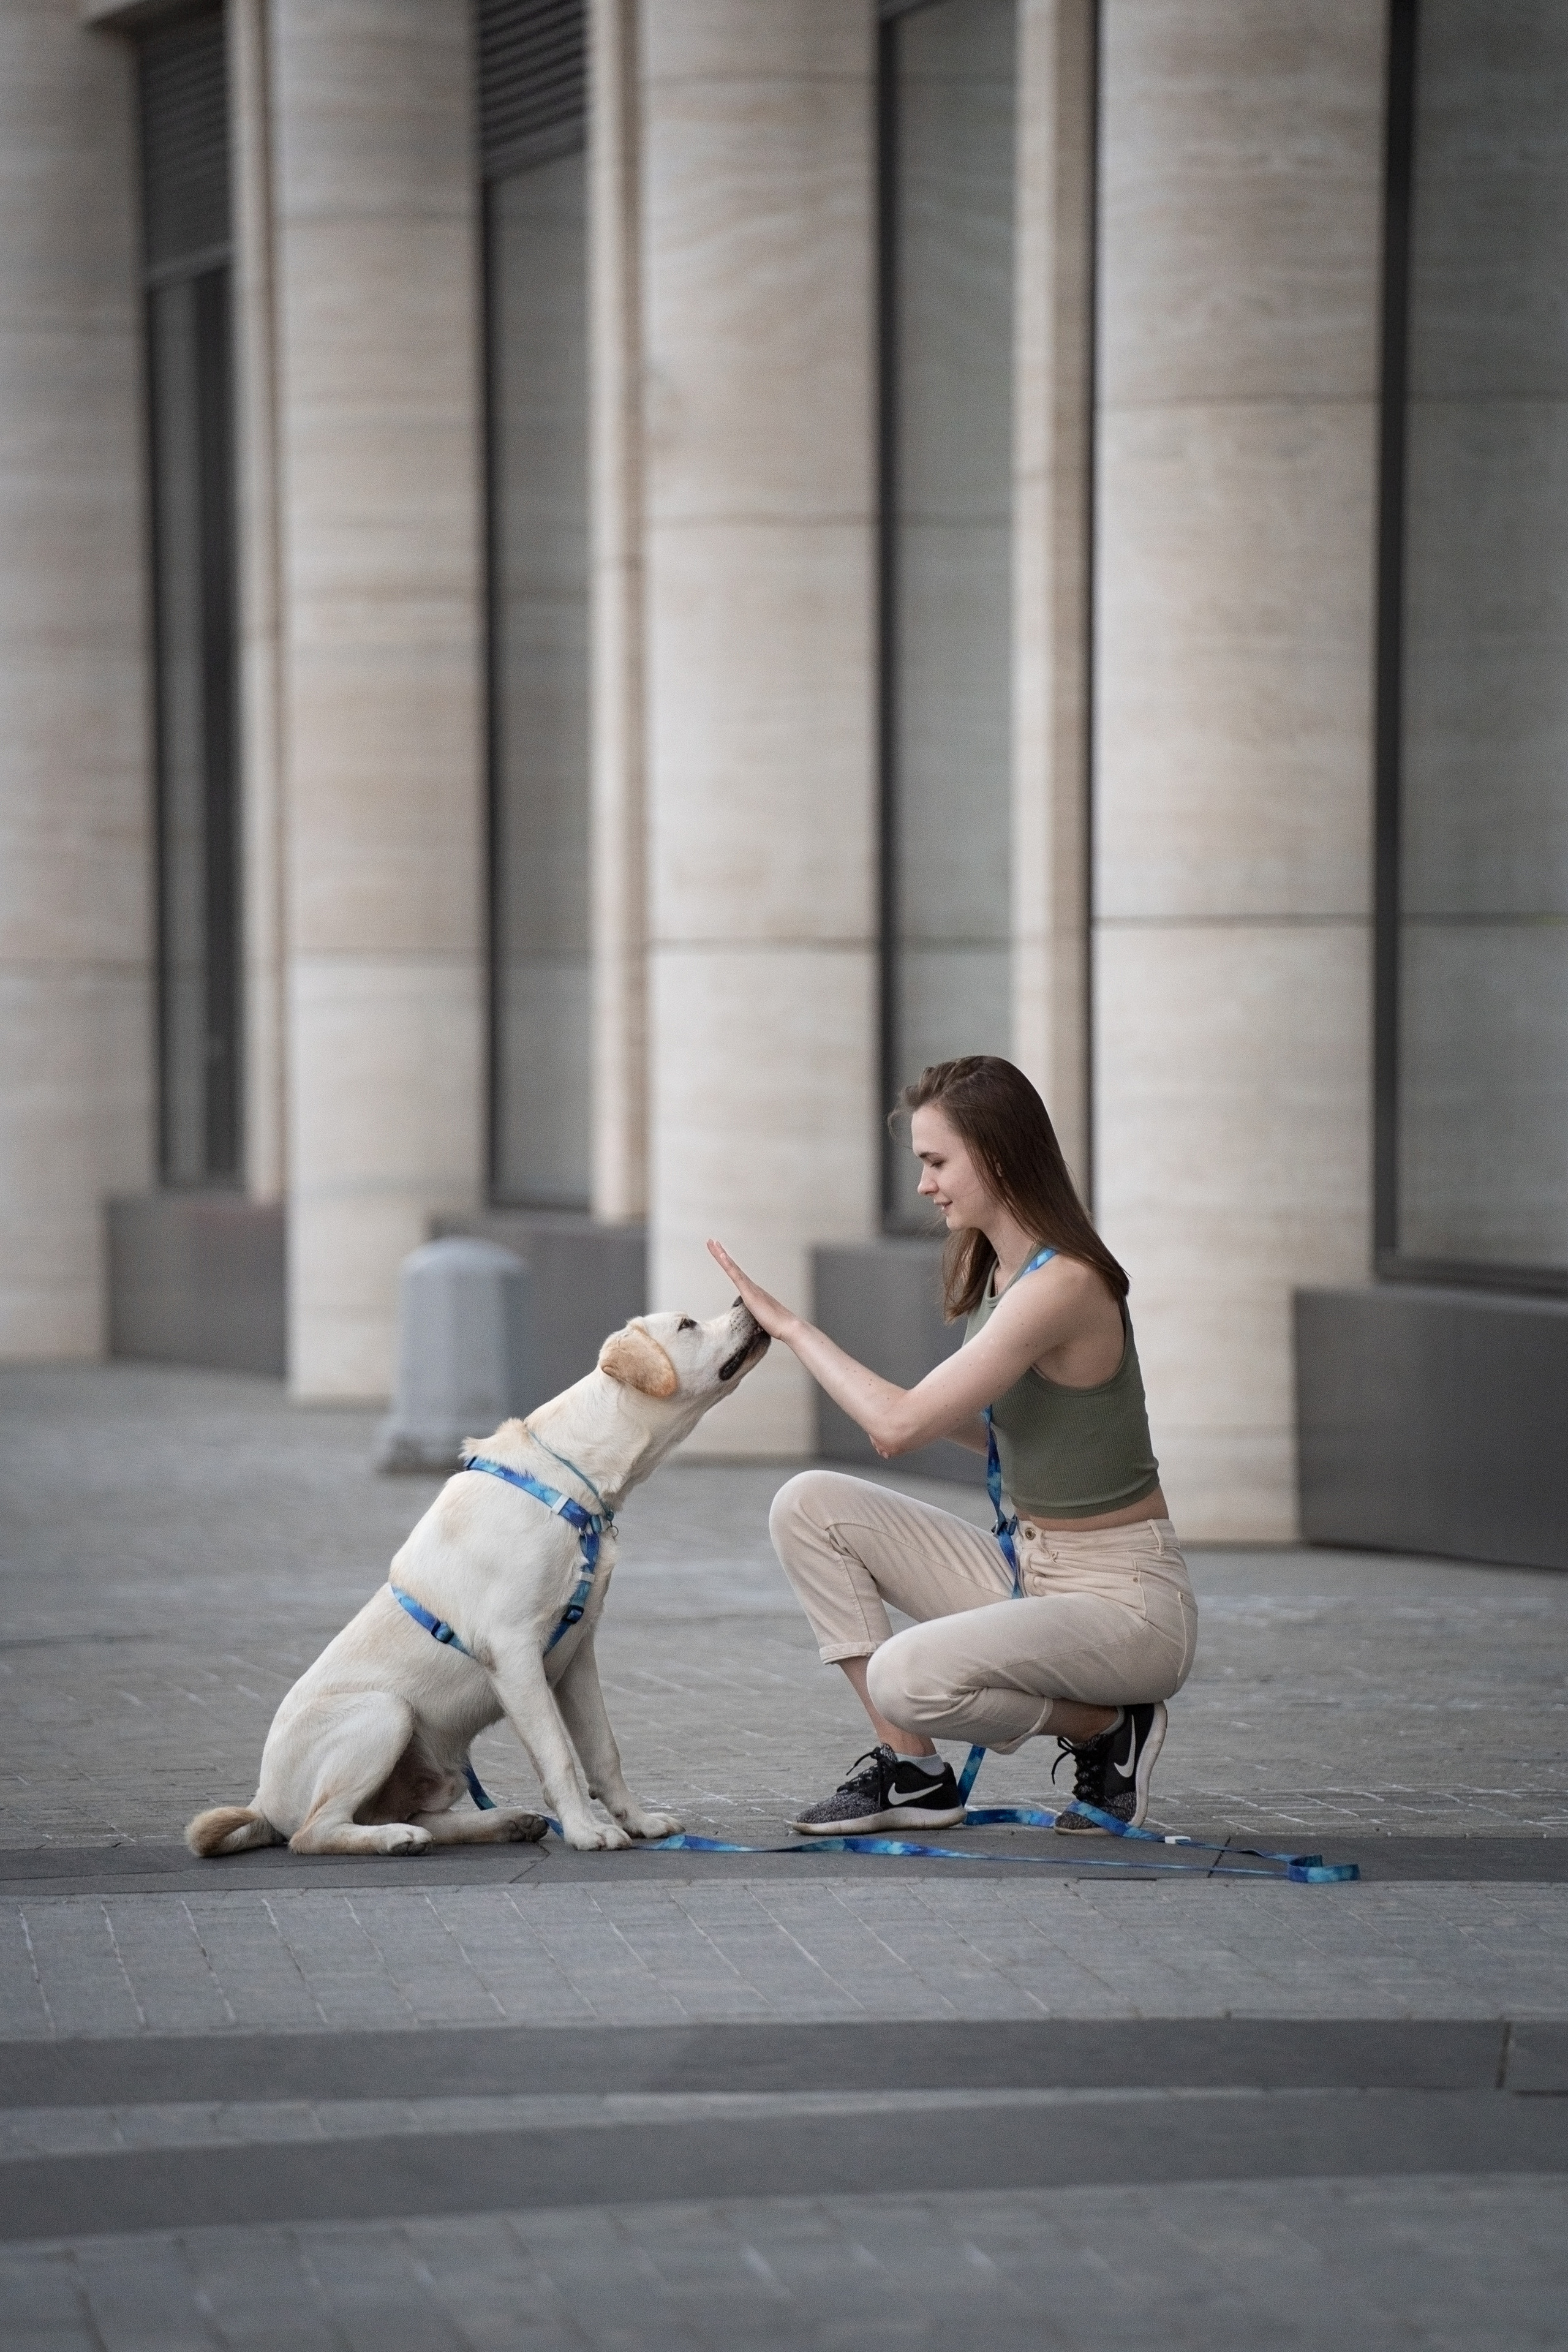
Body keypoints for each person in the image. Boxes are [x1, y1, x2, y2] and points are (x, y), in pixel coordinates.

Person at [706, 1055, 1197, 1838]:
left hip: (1124, 1604)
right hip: (1030, 1570)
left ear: (997, 1157)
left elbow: (897, 1430)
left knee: (906, 1676)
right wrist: (916, 1404)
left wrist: (795, 1330)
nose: (925, 1185)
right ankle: (916, 1775)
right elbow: (988, 1429)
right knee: (809, 1505)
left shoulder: (1062, 1284)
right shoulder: (1003, 1274)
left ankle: (1107, 1726)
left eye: (937, 1162)